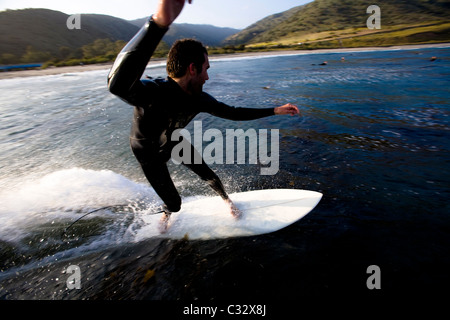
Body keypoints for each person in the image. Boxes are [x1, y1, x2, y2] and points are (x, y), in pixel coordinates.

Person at [107, 0, 299, 232]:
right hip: (147, 152)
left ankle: (227, 201)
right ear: (192, 69)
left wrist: (275, 110)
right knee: (175, 204)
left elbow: (233, 113)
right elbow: (117, 85)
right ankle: (166, 214)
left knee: (207, 173)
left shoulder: (200, 99)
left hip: (172, 139)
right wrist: (157, 24)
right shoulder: (154, 92)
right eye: (206, 68)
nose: (207, 76)